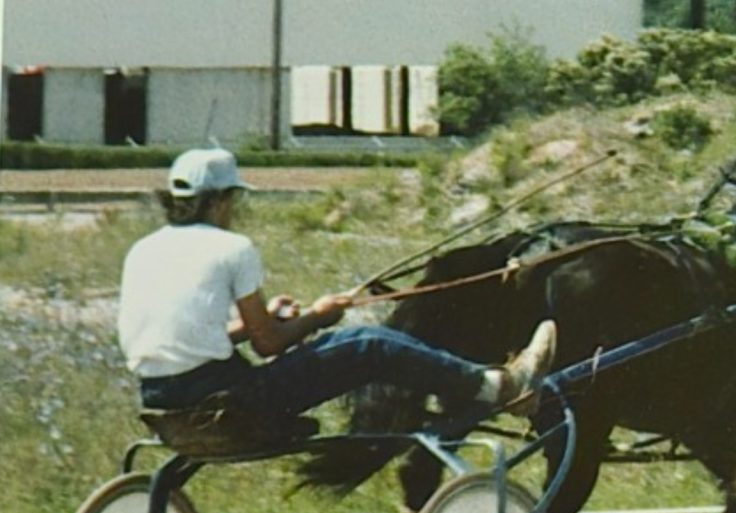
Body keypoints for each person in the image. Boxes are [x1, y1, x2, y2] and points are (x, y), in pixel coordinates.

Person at [117, 147, 556, 441]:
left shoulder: (143, 250)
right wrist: (320, 317)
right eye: (234, 201)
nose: (235, 211)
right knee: (369, 345)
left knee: (366, 344)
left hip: (161, 401)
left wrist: (258, 323)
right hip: (230, 404)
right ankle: (497, 386)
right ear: (217, 202)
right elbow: (270, 345)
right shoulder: (233, 248)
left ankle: (488, 384)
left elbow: (192, 339)